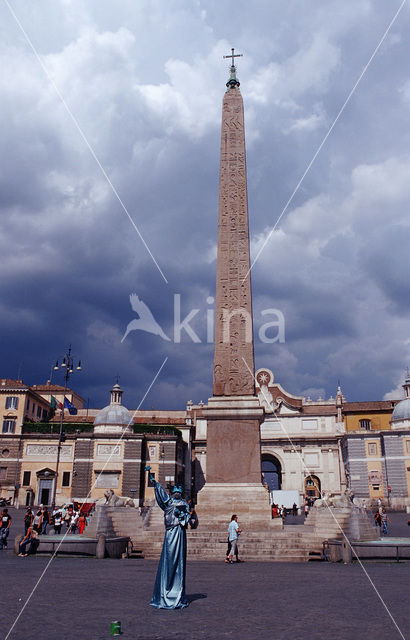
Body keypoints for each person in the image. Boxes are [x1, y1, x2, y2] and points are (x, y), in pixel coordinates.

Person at [146, 466, 190, 609]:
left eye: (178, 492)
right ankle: (166, 592)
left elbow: (187, 518)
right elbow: (160, 493)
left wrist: (182, 515)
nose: (176, 493)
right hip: (171, 533)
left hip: (179, 533)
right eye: (175, 492)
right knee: (170, 560)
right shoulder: (169, 502)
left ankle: (176, 593)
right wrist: (154, 481)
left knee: (179, 563)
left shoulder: (183, 504)